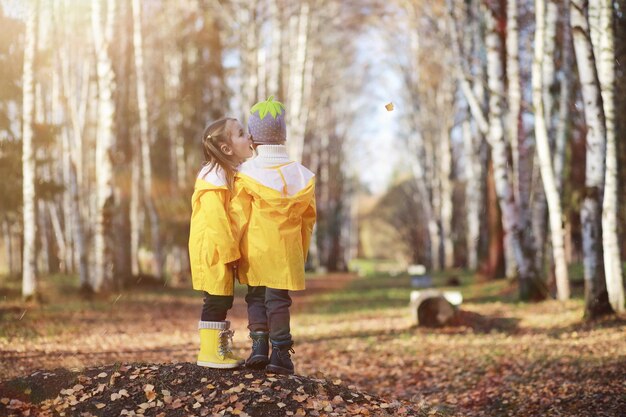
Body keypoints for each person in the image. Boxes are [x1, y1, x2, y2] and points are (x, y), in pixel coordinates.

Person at [232, 96, 317, 374]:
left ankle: (258, 348)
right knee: (278, 301)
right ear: (282, 136)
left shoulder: (246, 174)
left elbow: (239, 215)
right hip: (285, 250)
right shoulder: (301, 176)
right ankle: (281, 354)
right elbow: (308, 219)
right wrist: (299, 251)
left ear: (253, 138)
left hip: (256, 249)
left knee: (255, 298)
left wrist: (235, 248)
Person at [188, 117, 253, 368]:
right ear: (226, 148)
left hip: (219, 249)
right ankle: (209, 352)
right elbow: (216, 220)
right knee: (215, 298)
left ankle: (218, 349)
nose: (247, 137)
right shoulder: (213, 177)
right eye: (240, 134)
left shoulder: (226, 174)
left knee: (222, 298)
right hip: (213, 250)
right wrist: (230, 252)